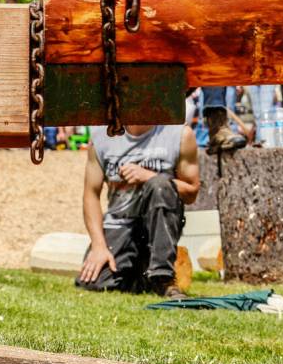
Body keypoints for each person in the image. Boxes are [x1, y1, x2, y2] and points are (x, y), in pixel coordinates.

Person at [77, 123, 200, 298]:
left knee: (160, 185)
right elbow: (91, 195)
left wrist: (149, 177)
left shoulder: (180, 134)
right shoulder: (101, 137)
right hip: (120, 223)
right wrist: (98, 246)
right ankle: (141, 275)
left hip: (158, 226)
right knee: (94, 282)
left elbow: (192, 191)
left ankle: (163, 278)